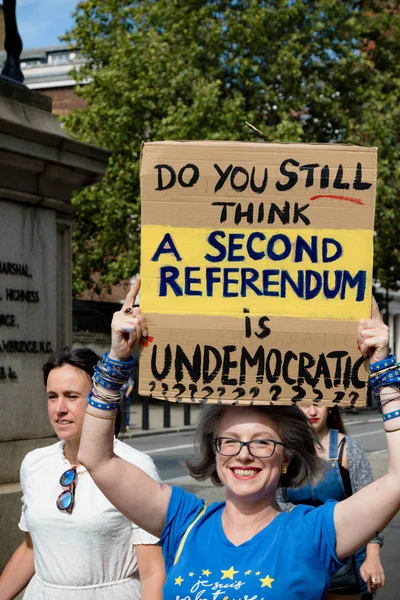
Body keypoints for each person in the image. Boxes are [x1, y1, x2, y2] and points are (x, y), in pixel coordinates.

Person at [78, 281, 400, 600]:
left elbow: (396, 482)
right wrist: (117, 358)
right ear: (214, 452)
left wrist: (384, 371)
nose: (243, 455)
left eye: (262, 443)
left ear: (286, 456)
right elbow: (97, 459)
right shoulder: (186, 522)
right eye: (229, 441)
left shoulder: (311, 533)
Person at [0, 347, 165, 600]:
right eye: (52, 396)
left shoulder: (135, 465)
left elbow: (153, 572)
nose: (59, 408)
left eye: (72, 396)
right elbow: (33, 548)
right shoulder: (34, 463)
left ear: (101, 398)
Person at [277, 405, 385, 599]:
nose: (312, 411)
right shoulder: (283, 451)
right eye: (304, 403)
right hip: (298, 558)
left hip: (348, 562)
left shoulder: (349, 448)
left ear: (331, 407)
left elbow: (370, 507)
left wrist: (373, 555)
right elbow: (273, 505)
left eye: (318, 402)